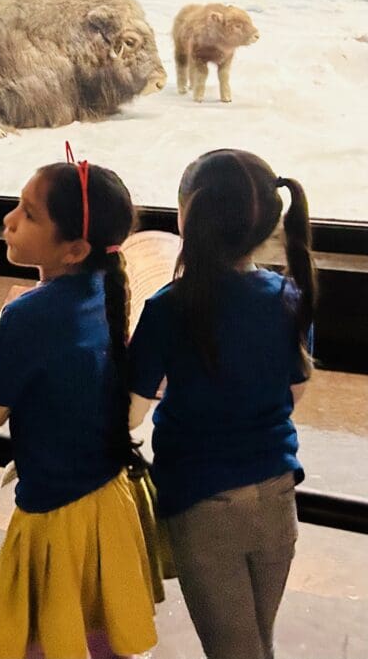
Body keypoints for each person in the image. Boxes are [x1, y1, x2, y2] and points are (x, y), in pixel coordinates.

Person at [128, 149, 315, 659]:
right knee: (256, 642)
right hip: (277, 495)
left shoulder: (167, 307)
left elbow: (131, 414)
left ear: (187, 217)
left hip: (203, 503)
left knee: (234, 651)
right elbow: (292, 393)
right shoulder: (289, 296)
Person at [0, 152, 158, 659]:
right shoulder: (106, 286)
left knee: (50, 638)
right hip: (107, 499)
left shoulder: (27, 314)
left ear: (75, 249)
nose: (10, 220)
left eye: (29, 214)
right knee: (98, 630)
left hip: (56, 512)